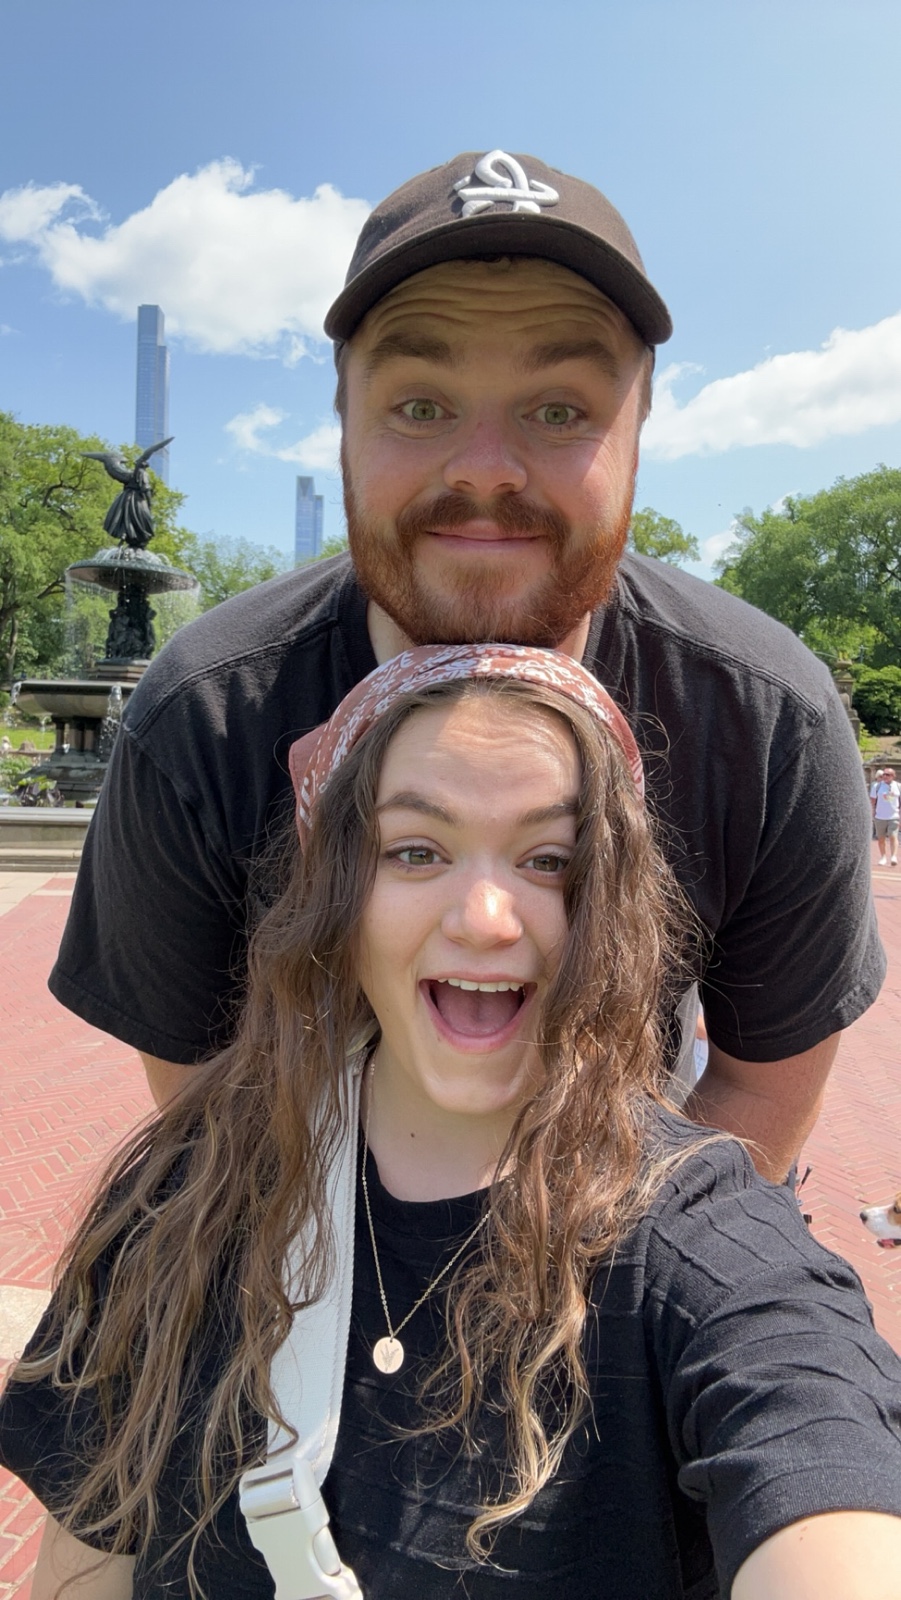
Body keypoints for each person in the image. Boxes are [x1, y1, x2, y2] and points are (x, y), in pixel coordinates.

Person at [49, 148, 883, 1180]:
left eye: (558, 410)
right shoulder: (200, 715)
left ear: (639, 427)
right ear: (344, 418)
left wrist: (619, 1265)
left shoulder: (769, 721)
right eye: (420, 405)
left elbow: (759, 1090)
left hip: (636, 1197)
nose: (485, 468)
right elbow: (201, 1086)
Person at [3, 647, 901, 1600]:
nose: (483, 919)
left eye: (549, 860)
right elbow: (81, 1569)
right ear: (338, 895)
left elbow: (814, 1441)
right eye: (415, 851)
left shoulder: (703, 1243)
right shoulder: (183, 1199)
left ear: (608, 906)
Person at [874, 766, 900, 866]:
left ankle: (893, 856)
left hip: (894, 816)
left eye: (887, 775)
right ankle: (883, 857)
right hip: (880, 816)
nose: (885, 776)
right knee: (881, 839)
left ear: (893, 776)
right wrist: (872, 813)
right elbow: (872, 801)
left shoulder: (898, 786)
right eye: (883, 774)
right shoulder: (877, 786)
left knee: (893, 836)